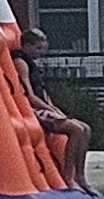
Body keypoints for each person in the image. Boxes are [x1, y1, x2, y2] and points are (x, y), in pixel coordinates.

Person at [15, 37, 95, 190]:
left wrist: (57, 111)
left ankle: (80, 176)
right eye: (38, 48)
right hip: (34, 110)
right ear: (27, 45)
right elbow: (30, 96)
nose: (41, 52)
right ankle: (68, 177)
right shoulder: (21, 63)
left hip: (44, 108)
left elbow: (44, 94)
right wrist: (51, 111)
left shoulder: (33, 66)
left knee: (86, 128)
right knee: (76, 130)